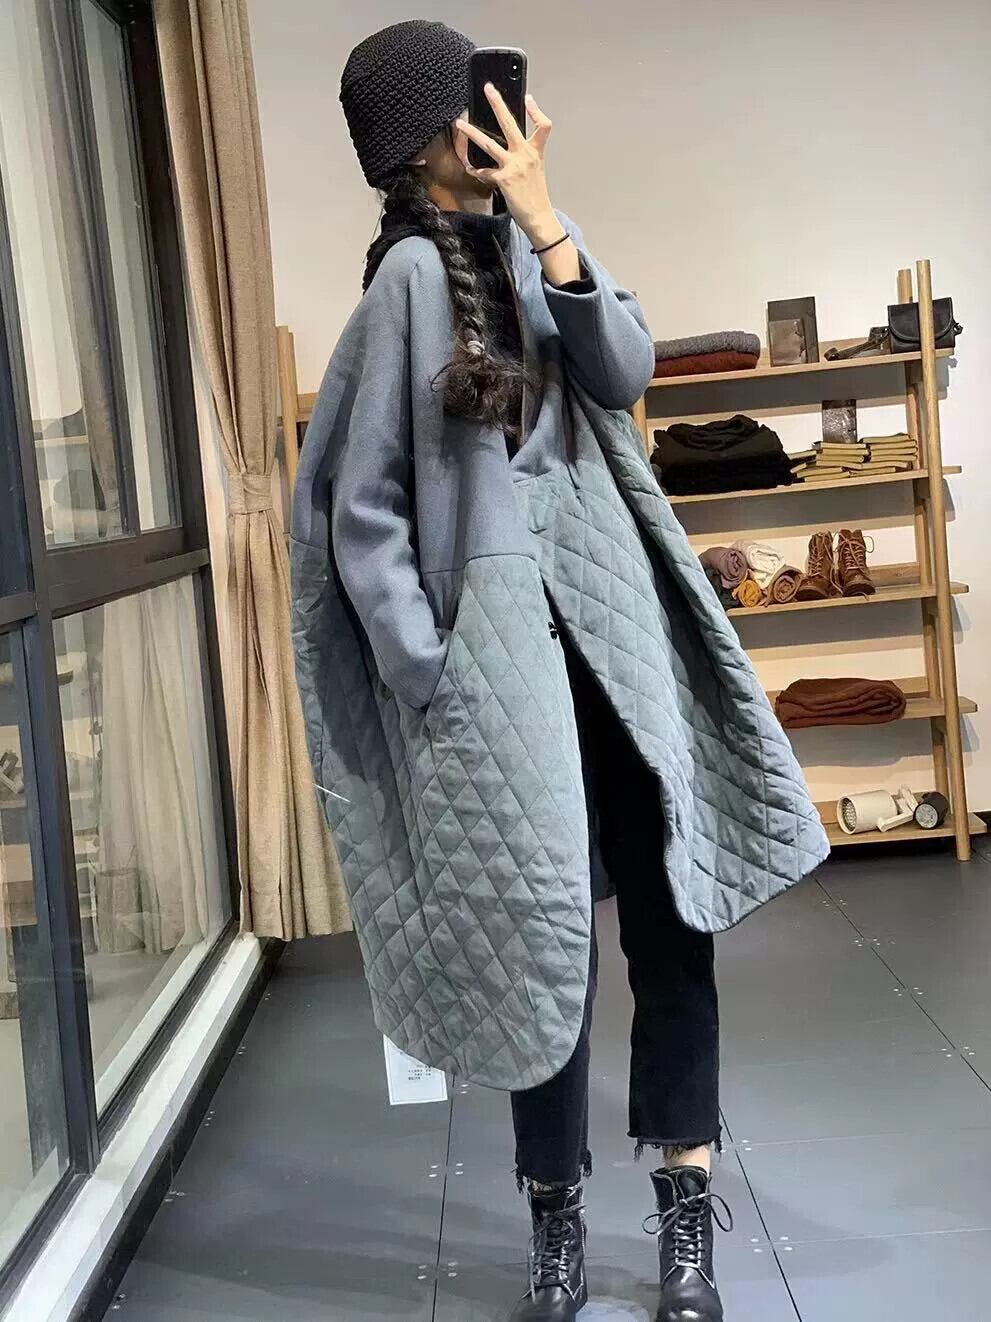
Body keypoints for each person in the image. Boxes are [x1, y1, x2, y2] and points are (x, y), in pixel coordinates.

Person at [291, 20, 829, 1322]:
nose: (501, 125)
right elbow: (353, 514)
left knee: (674, 924)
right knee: (544, 948)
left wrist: (545, 223)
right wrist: (431, 669)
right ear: (426, 138)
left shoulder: (540, 244)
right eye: (472, 110)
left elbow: (626, 369)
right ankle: (557, 1223)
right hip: (503, 684)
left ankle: (686, 1211)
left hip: (619, 648)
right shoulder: (405, 286)